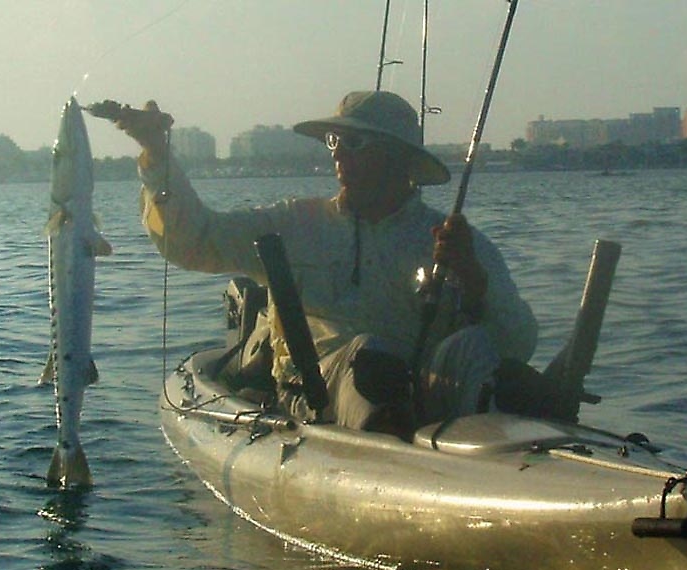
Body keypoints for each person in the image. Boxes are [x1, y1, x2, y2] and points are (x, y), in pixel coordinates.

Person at [117, 91, 538, 437]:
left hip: (426, 399)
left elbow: (518, 343)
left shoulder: (456, 242)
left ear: (400, 160)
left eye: (355, 144)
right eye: (334, 142)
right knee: (369, 354)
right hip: (318, 396)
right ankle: (385, 457)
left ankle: (499, 466)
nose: (339, 156)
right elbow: (195, 241)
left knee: (472, 347)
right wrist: (157, 156)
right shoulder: (294, 224)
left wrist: (473, 280)